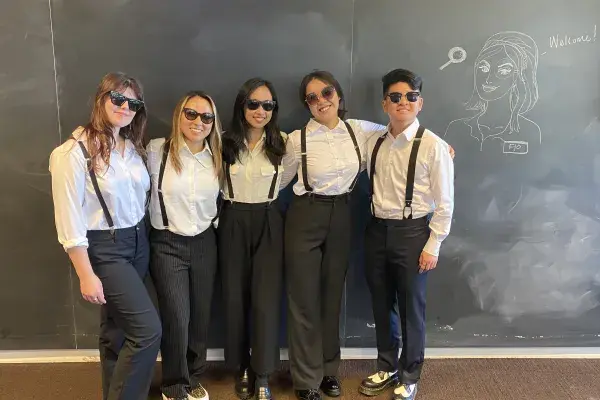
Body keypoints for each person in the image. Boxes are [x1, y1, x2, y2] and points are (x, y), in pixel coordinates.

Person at [49, 72, 161, 400]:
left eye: (133, 103)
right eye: (118, 99)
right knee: (147, 331)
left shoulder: (130, 147)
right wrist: (86, 274)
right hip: (105, 248)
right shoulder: (73, 153)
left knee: (117, 332)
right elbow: (68, 221)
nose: (125, 107)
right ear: (101, 98)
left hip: (138, 242)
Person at [279, 70, 387, 400]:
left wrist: (437, 148)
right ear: (307, 105)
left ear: (338, 95)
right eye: (312, 97)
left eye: (326, 93)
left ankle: (328, 371)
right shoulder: (296, 140)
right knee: (303, 300)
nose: (321, 101)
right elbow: (276, 181)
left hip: (343, 214)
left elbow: (401, 133)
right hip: (305, 216)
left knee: (332, 298)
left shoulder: (360, 131)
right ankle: (305, 379)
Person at [358, 68, 454, 400]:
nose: (403, 102)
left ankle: (410, 373)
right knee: (381, 303)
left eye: (410, 97)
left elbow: (445, 202)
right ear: (385, 103)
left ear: (420, 103)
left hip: (414, 233)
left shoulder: (434, 146)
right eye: (396, 97)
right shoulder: (374, 140)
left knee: (412, 306)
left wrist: (434, 244)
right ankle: (387, 364)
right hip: (375, 230)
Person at [146, 91, 223, 400]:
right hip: (167, 243)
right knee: (177, 316)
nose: (198, 122)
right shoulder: (155, 150)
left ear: (213, 123)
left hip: (206, 241)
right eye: (191, 114)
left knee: (201, 316)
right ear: (179, 115)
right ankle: (174, 384)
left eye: (206, 117)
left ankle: (194, 378)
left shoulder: (216, 156)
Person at [219, 78, 287, 400]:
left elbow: (338, 147)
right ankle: (241, 367)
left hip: (269, 220)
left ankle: (262, 374)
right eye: (254, 104)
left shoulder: (285, 142)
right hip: (232, 219)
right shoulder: (221, 142)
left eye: (268, 105)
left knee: (265, 300)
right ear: (242, 105)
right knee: (235, 298)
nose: (261, 111)